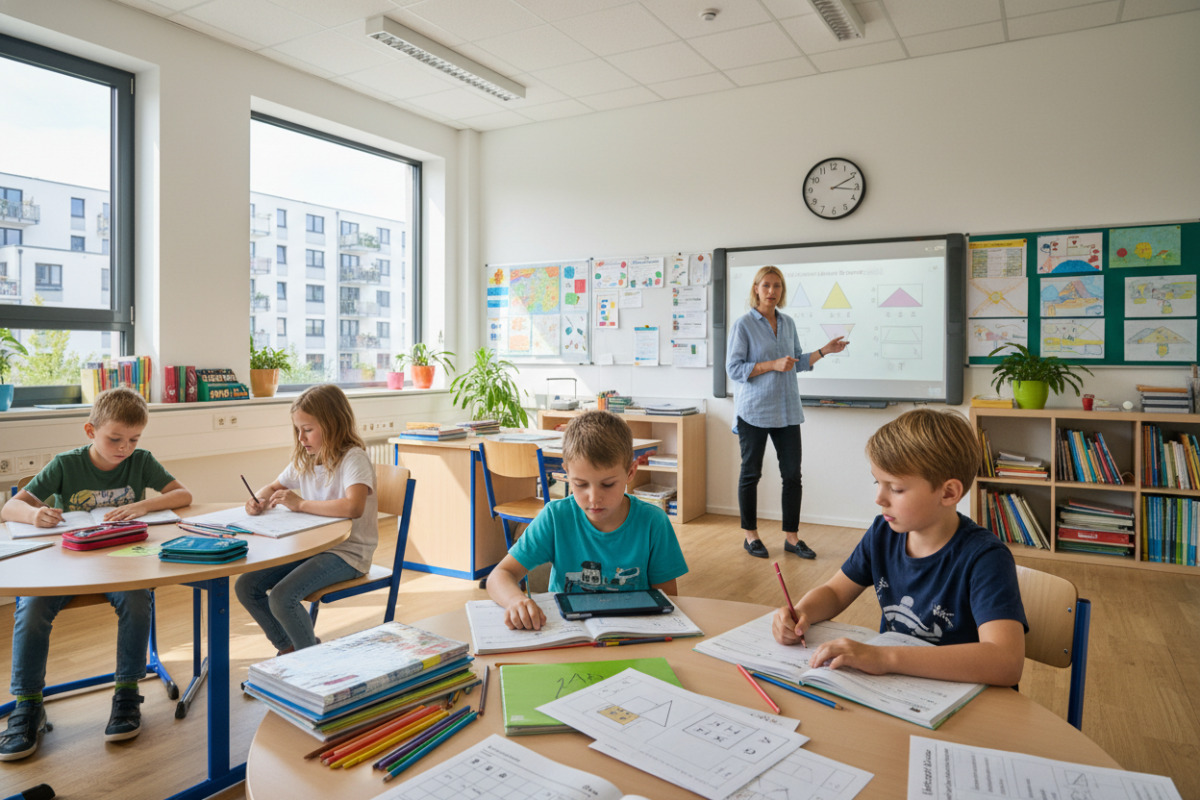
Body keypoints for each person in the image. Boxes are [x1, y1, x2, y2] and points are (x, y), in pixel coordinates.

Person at [0, 386, 193, 761]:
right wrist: (34, 514)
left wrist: (142, 504)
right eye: (114, 438)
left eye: (133, 439)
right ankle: (27, 704)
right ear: (91, 431)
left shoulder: (141, 461)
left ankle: (126, 693)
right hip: (66, 567)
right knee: (32, 608)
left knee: (138, 602)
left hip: (123, 564)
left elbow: (182, 494)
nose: (124, 447)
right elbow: (10, 508)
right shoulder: (66, 464)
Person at [771, 408, 1027, 686]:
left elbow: (1005, 662)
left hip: (965, 698)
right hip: (900, 689)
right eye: (877, 482)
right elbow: (835, 592)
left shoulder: (985, 558)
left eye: (896, 488)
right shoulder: (883, 533)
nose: (879, 498)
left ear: (948, 492)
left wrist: (884, 658)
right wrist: (802, 613)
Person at [487, 410, 688, 631]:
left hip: (632, 637)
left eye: (608, 484)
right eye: (581, 484)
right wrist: (515, 600)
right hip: (568, 637)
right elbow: (499, 575)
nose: (594, 498)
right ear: (566, 473)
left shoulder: (653, 523)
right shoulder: (555, 517)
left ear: (631, 472)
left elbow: (667, 600)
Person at [235, 384, 377, 655]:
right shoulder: (307, 459)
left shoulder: (353, 459)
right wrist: (259, 500)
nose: (301, 438)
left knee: (282, 597)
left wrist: (300, 504)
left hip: (349, 553)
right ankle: (292, 648)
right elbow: (273, 486)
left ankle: (309, 660)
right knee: (246, 585)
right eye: (297, 430)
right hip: (314, 548)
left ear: (333, 424)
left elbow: (354, 506)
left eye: (308, 429)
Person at [726, 265, 847, 560]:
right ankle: (750, 536)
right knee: (750, 474)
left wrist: (825, 351)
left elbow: (796, 362)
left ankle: (792, 538)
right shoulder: (743, 325)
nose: (771, 291)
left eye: (777, 286)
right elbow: (734, 369)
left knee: (792, 476)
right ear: (756, 288)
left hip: (787, 409)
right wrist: (771, 364)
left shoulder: (789, 322)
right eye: (766, 285)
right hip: (754, 410)